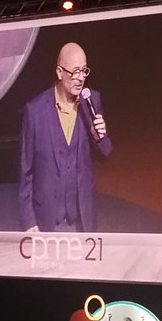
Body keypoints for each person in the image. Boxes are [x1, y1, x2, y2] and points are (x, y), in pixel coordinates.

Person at [18, 42, 113, 233]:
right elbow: (25, 170)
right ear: (60, 72)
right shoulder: (35, 111)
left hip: (81, 219)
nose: (80, 79)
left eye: (84, 71)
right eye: (75, 72)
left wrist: (100, 137)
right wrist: (28, 221)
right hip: (47, 220)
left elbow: (105, 154)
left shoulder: (91, 101)